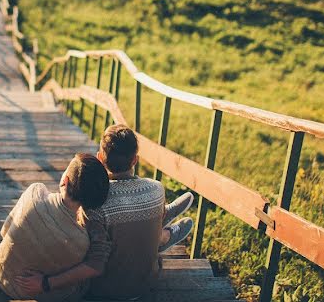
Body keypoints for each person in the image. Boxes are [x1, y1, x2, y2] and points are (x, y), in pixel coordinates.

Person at [16, 125, 194, 301]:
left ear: (100, 158)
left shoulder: (94, 204)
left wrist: (45, 283)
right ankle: (163, 234)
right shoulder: (156, 188)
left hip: (102, 291)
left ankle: (162, 231)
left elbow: (95, 265)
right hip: (146, 285)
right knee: (150, 215)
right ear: (135, 160)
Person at [0, 153, 111, 302]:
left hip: (1, 273)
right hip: (33, 292)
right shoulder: (81, 241)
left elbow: (5, 231)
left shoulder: (34, 194)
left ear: (65, 181)